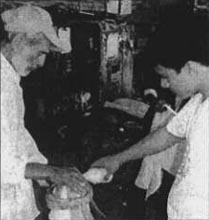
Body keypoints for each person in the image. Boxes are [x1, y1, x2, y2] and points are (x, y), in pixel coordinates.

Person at [91, 24, 209, 219]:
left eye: (166, 76)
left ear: (189, 67)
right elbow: (168, 134)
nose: (164, 84)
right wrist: (118, 159)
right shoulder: (199, 101)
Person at [1, 5, 71, 220]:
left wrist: (45, 170)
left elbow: (18, 137)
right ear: (20, 40)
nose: (41, 63)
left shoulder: (9, 80)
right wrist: (50, 173)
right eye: (40, 52)